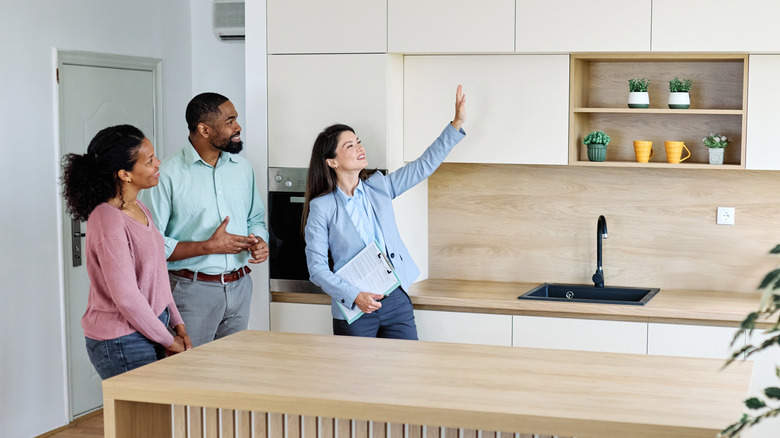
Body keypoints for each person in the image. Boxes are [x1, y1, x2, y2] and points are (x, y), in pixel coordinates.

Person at [303, 85, 467, 339]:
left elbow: (423, 166)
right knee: (360, 380)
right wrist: (355, 296)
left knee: (405, 374)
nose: (360, 148)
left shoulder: (378, 187)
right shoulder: (322, 207)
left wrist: (455, 124)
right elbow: (317, 268)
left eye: (358, 142)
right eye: (349, 146)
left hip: (395, 302)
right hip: (355, 309)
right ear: (332, 161)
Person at [61, 124, 192, 380]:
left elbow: (157, 275)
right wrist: (168, 339)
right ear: (125, 174)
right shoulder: (107, 219)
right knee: (143, 420)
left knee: (157, 418)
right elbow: (127, 297)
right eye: (150, 160)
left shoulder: (139, 208)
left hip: (152, 328)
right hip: (122, 340)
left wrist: (178, 324)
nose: (158, 164)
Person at [143, 92, 269, 348]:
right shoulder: (166, 174)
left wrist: (259, 240)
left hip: (241, 286)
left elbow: (255, 218)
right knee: (189, 378)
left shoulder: (243, 169)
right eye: (230, 121)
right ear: (204, 129)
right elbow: (151, 243)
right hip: (190, 292)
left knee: (230, 376)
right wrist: (209, 246)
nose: (238, 127)